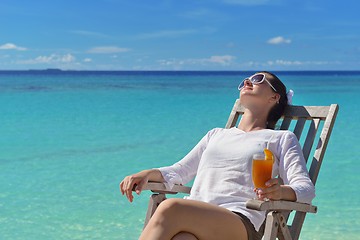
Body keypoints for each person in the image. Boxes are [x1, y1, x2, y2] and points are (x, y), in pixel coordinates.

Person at [120, 71, 315, 240]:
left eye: (258, 79)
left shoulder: (281, 139)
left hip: (240, 221)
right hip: (197, 218)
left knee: (169, 208)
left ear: (274, 97)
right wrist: (146, 173)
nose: (247, 81)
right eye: (246, 79)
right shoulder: (216, 135)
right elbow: (180, 171)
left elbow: (306, 189)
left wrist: (280, 192)